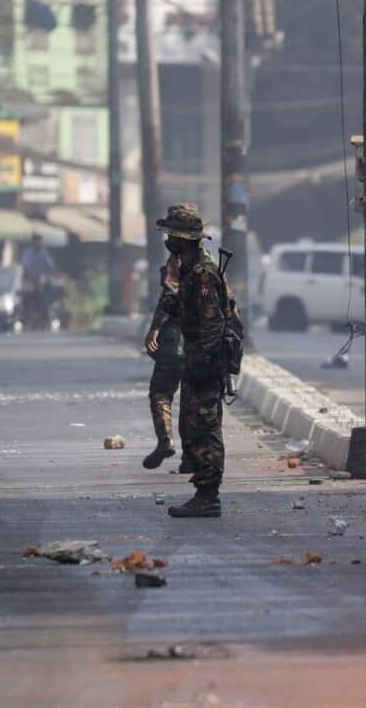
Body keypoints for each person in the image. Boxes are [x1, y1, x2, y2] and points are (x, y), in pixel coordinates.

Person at [158, 203, 228, 519]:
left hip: (206, 362)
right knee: (192, 426)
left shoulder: (202, 273)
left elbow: (213, 320)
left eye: (172, 234)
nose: (168, 240)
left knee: (205, 429)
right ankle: (202, 491)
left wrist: (205, 362)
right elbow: (184, 310)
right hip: (195, 359)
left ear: (183, 238)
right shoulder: (188, 270)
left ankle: (208, 495)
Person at [142, 256, 183, 469]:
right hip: (207, 342)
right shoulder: (212, 264)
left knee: (161, 392)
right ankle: (195, 458)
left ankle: (166, 439)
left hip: (178, 340)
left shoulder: (177, 261)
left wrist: (155, 327)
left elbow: (170, 293)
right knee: (197, 402)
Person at [19, 234, 56, 328]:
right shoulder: (28, 253)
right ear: (32, 242)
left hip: (41, 280)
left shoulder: (44, 253)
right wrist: (29, 278)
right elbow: (25, 267)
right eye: (36, 241)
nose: (38, 243)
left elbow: (50, 266)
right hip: (30, 279)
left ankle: (47, 318)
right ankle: (25, 318)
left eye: (39, 241)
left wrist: (48, 276)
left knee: (47, 296)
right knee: (25, 297)